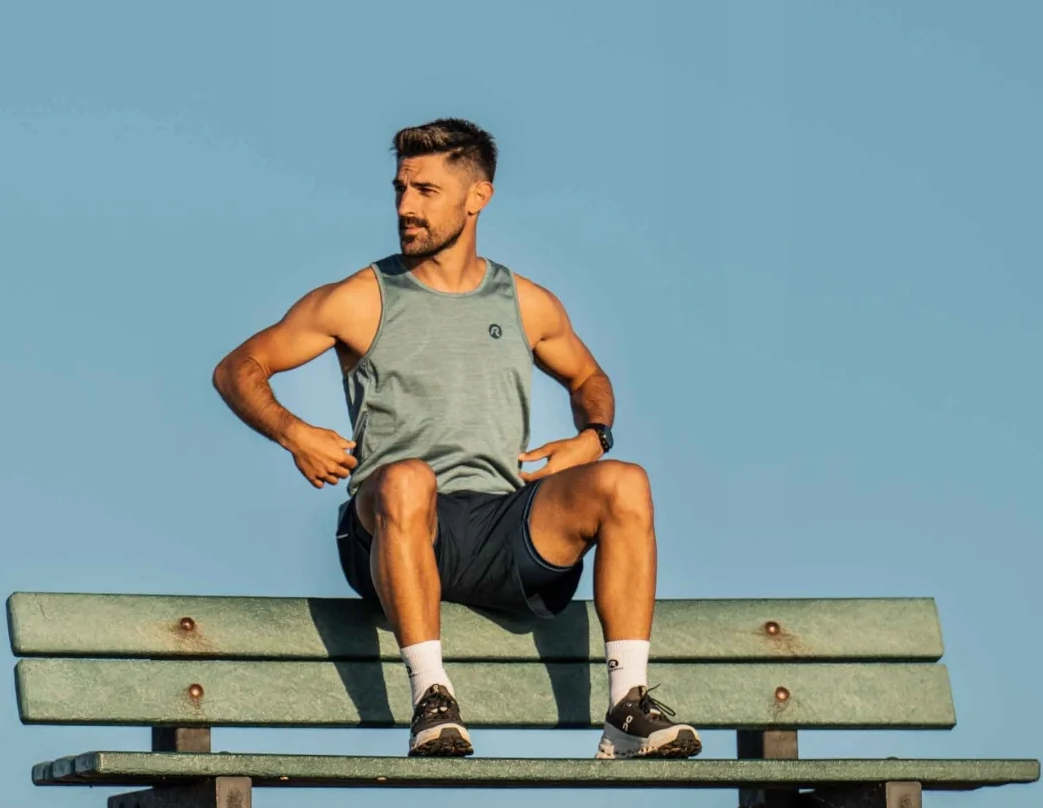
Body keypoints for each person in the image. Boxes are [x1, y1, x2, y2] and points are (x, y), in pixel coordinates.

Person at [210, 118, 700, 760]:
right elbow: (238, 368)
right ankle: (431, 700)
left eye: (426, 191)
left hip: (502, 526)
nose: (405, 207)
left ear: (478, 197)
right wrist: (293, 432)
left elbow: (589, 378)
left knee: (625, 482)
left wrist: (593, 436)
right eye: (400, 189)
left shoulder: (525, 302)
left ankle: (627, 708)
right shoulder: (360, 298)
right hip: (397, 525)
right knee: (407, 479)